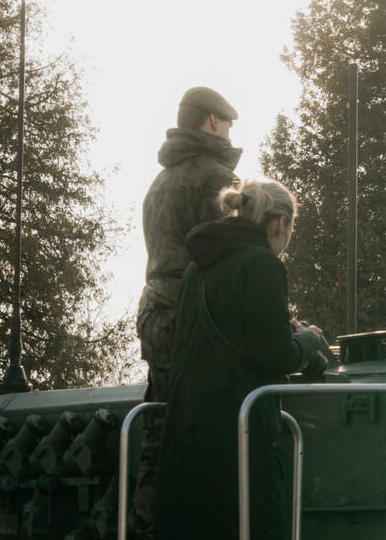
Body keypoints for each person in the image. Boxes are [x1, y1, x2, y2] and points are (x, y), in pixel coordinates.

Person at [154, 178, 324, 540]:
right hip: (237, 442)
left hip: (184, 437)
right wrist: (308, 339)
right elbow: (275, 357)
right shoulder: (261, 264)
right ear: (281, 223)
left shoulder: (195, 268)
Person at [133, 86, 241, 536]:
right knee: (207, 436)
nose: (232, 130)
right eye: (228, 122)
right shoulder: (214, 177)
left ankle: (143, 525)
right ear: (213, 122)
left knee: (160, 430)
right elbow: (226, 257)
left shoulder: (158, 184)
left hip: (155, 310)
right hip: (194, 314)